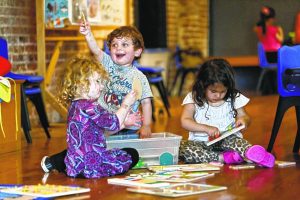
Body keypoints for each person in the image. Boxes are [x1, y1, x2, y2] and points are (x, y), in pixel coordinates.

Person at [41, 56, 142, 178]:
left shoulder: (74, 106)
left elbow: (102, 132)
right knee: (132, 154)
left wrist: (124, 124)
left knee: (74, 150)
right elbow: (113, 123)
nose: (102, 86)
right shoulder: (91, 107)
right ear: (82, 84)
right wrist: (126, 104)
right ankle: (55, 162)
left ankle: (54, 162)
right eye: (97, 81)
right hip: (93, 166)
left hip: (75, 166)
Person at [178, 58, 275, 168]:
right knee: (182, 148)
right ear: (202, 85)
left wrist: (243, 121)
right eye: (213, 91)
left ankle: (252, 153)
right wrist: (206, 128)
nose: (218, 96)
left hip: (227, 140)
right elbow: (185, 121)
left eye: (223, 91)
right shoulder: (194, 98)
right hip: (201, 142)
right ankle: (223, 158)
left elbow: (244, 115)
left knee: (237, 142)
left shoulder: (233, 97)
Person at [80, 22, 153, 138]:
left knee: (127, 153)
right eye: (114, 45)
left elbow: (146, 102)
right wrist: (88, 34)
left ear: (137, 51)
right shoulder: (107, 63)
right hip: (104, 123)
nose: (118, 48)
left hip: (128, 127)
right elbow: (96, 50)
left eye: (124, 45)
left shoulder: (139, 77)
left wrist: (147, 125)